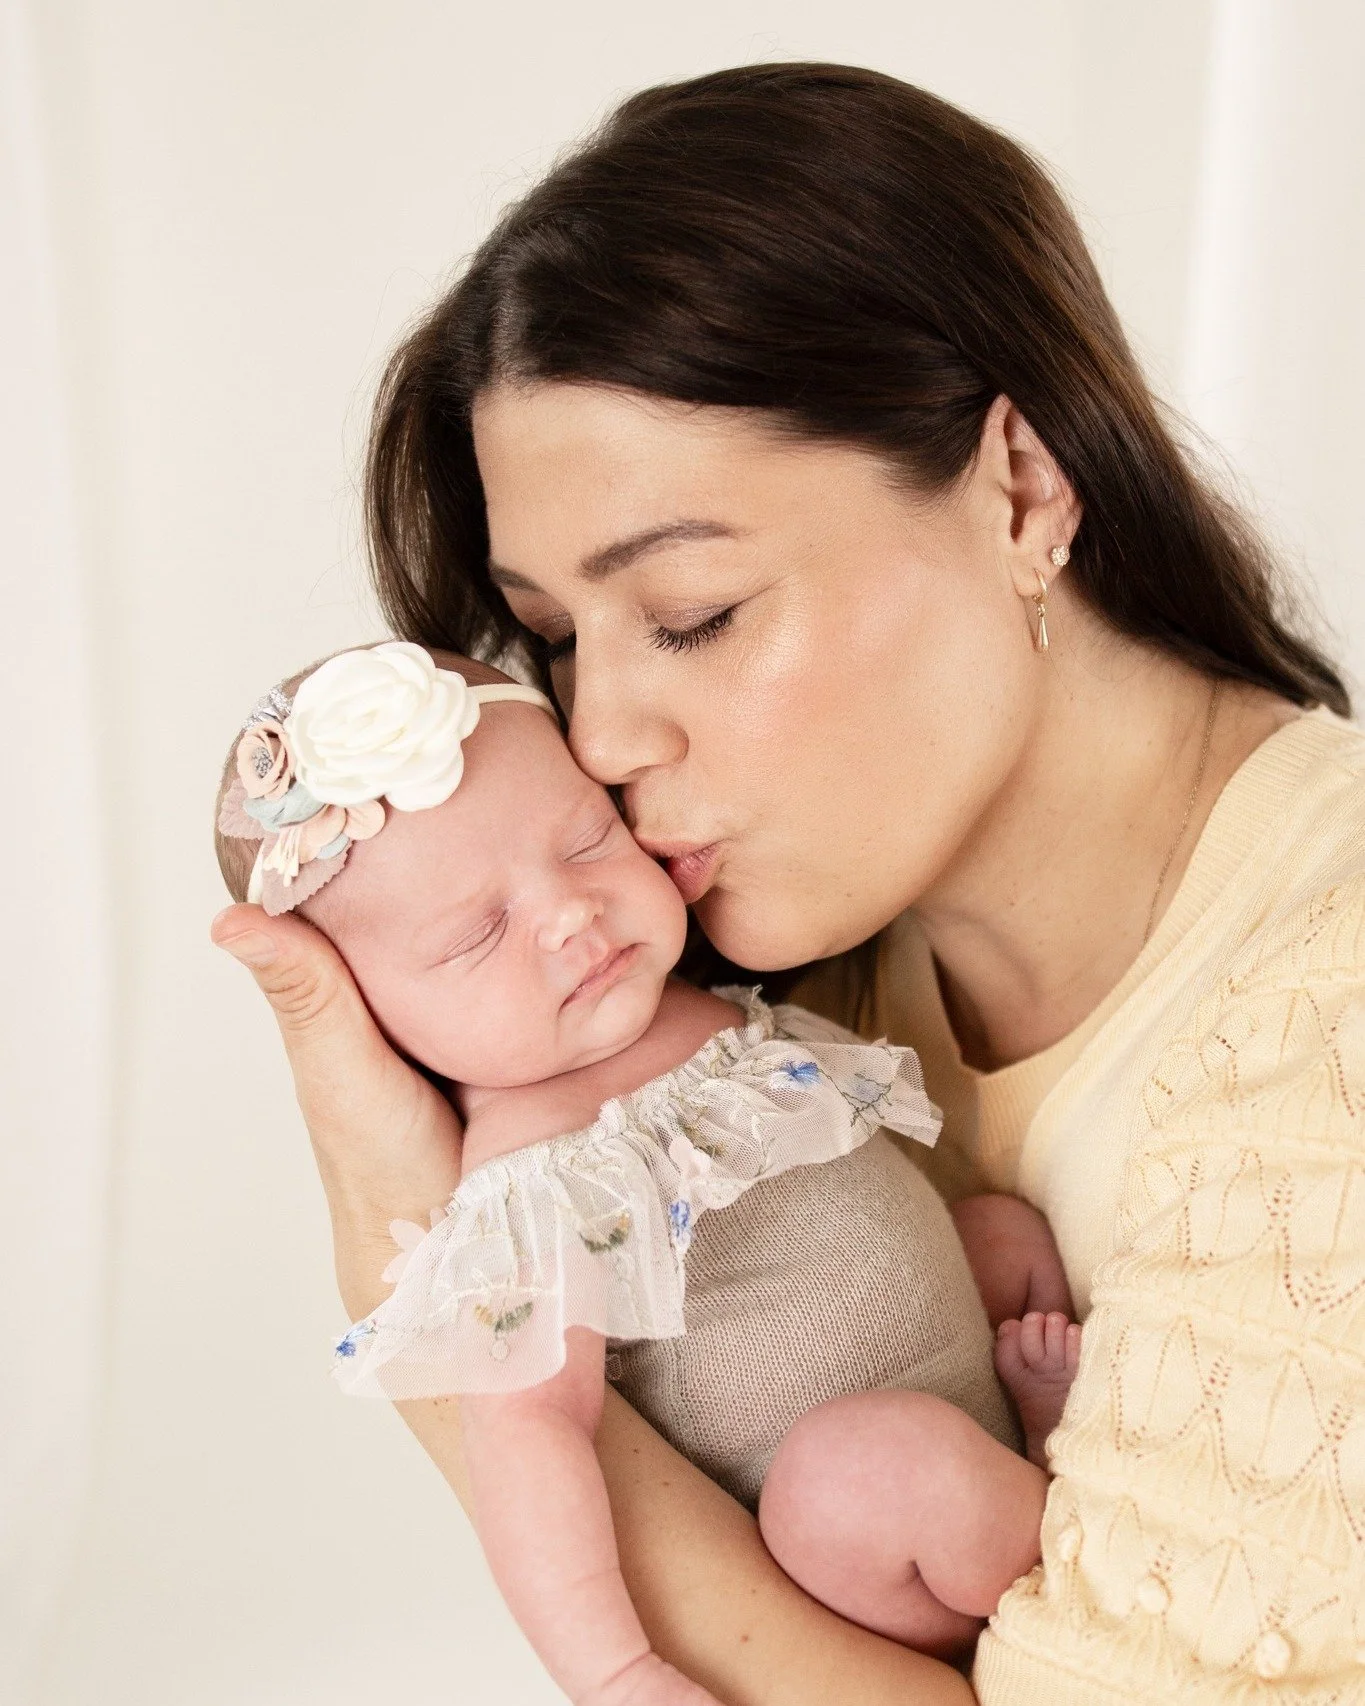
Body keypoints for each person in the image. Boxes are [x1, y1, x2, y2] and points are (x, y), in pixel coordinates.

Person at [212, 63, 1365, 1705]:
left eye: (689, 612)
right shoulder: (769, 1005)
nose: (597, 732)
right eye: (552, 638)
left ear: (1020, 491)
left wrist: (415, 1289)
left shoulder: (1324, 1045)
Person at [214, 640, 1073, 1701]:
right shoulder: (528, 1185)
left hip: (953, 1376)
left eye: (584, 841)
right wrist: (616, 1669)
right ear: (368, 1010)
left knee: (1002, 1232)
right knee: (855, 1472)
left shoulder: (721, 976)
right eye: (477, 934)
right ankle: (1080, 1565)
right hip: (865, 1546)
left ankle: (1040, 1443)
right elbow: (528, 1440)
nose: (570, 912)